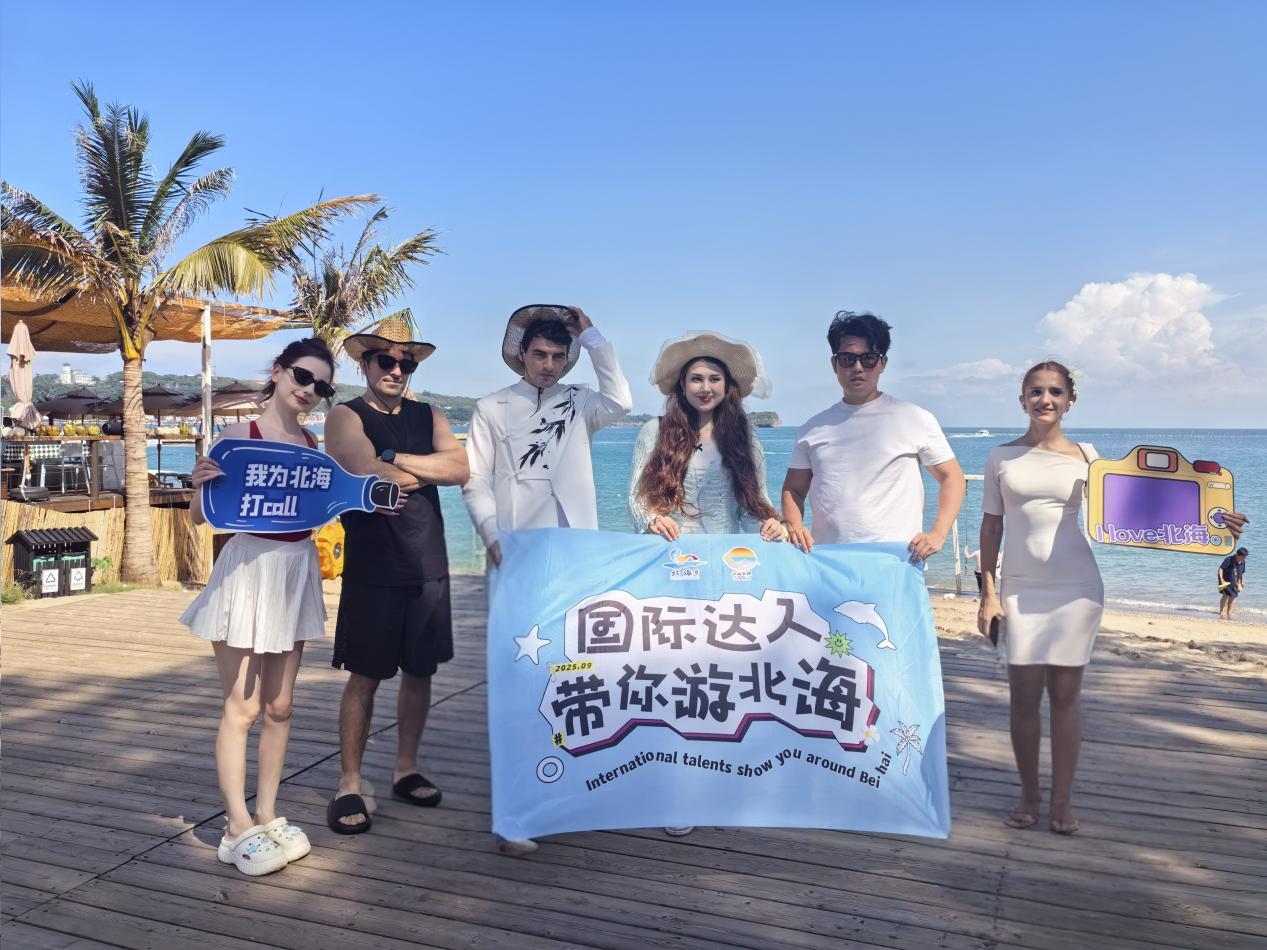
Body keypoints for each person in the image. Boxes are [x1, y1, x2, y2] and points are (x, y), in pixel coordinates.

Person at [976, 361, 1247, 834]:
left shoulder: (1089, 458)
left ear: (1070, 401)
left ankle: (1061, 802)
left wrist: (1218, 520)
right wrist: (987, 594)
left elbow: (1146, 509)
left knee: (1066, 697)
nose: (1045, 399)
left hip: (1077, 588)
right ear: (1021, 400)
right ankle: (1029, 796)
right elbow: (991, 527)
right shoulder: (1001, 457)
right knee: (1023, 698)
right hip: (1019, 588)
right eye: (1035, 391)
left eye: (1055, 391)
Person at [463, 304, 632, 853]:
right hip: (516, 553)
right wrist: (490, 533)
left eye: (559, 356)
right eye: (539, 354)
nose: (548, 365)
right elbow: (474, 478)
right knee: (518, 678)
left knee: (576, 672)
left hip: (577, 553)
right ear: (521, 354)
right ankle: (514, 814)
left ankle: (569, 785)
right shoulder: (491, 406)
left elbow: (622, 399)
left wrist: (593, 335)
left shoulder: (581, 402)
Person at [183, 337, 336, 876]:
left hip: (296, 569)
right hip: (248, 569)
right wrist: (198, 485)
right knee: (242, 707)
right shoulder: (236, 437)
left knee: (280, 706)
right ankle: (235, 826)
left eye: (322, 386)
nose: (309, 390)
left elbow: (320, 506)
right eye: (301, 376)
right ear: (278, 371)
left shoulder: (312, 445)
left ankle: (268, 813)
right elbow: (202, 517)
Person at [629, 331, 787, 837]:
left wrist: (771, 526)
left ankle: (717, 778)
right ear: (681, 385)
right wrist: (652, 518)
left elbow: (754, 503)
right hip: (670, 575)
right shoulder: (654, 431)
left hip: (724, 576)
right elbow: (636, 498)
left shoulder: (744, 436)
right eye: (695, 378)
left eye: (714, 378)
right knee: (676, 680)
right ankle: (676, 790)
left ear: (727, 386)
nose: (704, 387)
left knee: (719, 680)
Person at [323, 317, 469, 835]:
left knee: (420, 670)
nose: (396, 370)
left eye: (405, 363)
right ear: (365, 364)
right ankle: (349, 782)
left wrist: (395, 458)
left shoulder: (430, 414)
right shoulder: (345, 415)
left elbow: (461, 469)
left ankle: (405, 768)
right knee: (364, 676)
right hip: (373, 563)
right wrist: (425, 467)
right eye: (385, 360)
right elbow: (363, 470)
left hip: (428, 561)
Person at [781, 310, 965, 563]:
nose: (857, 367)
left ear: (882, 363)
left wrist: (938, 533)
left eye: (868, 359)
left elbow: (952, 477)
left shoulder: (915, 418)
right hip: (829, 561)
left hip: (899, 560)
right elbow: (793, 489)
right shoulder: (811, 429)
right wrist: (794, 527)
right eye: (847, 359)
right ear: (834, 364)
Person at [1218, 547, 1249, 619]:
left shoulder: (1243, 562)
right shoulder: (1229, 559)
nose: (1244, 558)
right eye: (1243, 556)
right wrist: (1221, 579)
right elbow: (1221, 569)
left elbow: (1241, 573)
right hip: (1225, 581)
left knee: (1233, 597)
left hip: (1235, 582)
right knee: (1225, 596)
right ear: (1238, 555)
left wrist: (1241, 582)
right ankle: (1221, 611)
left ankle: (1229, 612)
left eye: (1245, 557)